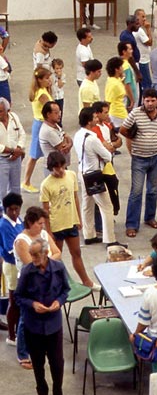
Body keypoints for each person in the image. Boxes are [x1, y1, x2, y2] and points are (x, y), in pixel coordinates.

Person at [15, 237, 69, 395]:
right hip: (34, 326)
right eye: (31, 255)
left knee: (57, 363)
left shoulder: (59, 268)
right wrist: (33, 304)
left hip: (53, 325)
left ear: (46, 253)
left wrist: (58, 302)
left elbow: (65, 290)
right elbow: (18, 296)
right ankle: (42, 394)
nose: (33, 258)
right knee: (38, 363)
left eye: (36, 254)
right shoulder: (27, 272)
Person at [41, 151, 98, 291]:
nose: (60, 170)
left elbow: (75, 198)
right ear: (51, 168)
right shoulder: (46, 184)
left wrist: (78, 218)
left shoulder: (71, 175)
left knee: (76, 253)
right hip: (56, 225)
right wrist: (48, 231)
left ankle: (87, 281)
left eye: (62, 166)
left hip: (71, 222)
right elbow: (45, 210)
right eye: (56, 168)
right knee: (55, 257)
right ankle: (54, 286)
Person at [120, 89, 157, 238]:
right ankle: (131, 224)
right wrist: (133, 137)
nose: (149, 103)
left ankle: (150, 217)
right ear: (143, 100)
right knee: (136, 192)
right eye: (147, 100)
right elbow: (123, 129)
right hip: (139, 158)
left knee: (153, 190)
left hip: (155, 157)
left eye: (152, 100)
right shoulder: (136, 114)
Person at [72, 108, 120, 247]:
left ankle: (89, 235)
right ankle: (110, 239)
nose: (97, 119)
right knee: (107, 206)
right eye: (94, 117)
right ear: (88, 121)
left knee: (87, 204)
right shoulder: (92, 138)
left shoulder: (78, 134)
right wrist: (108, 150)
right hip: (94, 174)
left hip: (83, 172)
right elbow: (107, 156)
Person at [22, 67, 53, 194]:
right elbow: (50, 107)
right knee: (34, 155)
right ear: (39, 80)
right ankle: (26, 181)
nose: (49, 80)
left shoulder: (42, 90)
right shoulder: (42, 94)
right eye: (46, 78)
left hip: (39, 122)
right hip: (41, 124)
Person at [0, 194, 23, 346]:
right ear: (5, 209)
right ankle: (12, 336)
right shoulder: (3, 225)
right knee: (13, 301)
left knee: (19, 300)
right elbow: (10, 249)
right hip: (12, 266)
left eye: (17, 209)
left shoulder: (19, 221)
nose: (14, 213)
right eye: (11, 210)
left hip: (21, 264)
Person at [0, 99, 26, 201]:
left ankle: (15, 212)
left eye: (1, 111)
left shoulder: (14, 118)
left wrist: (18, 149)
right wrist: (12, 151)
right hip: (2, 160)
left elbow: (22, 134)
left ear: (7, 111)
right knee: (1, 189)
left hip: (16, 158)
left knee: (15, 188)